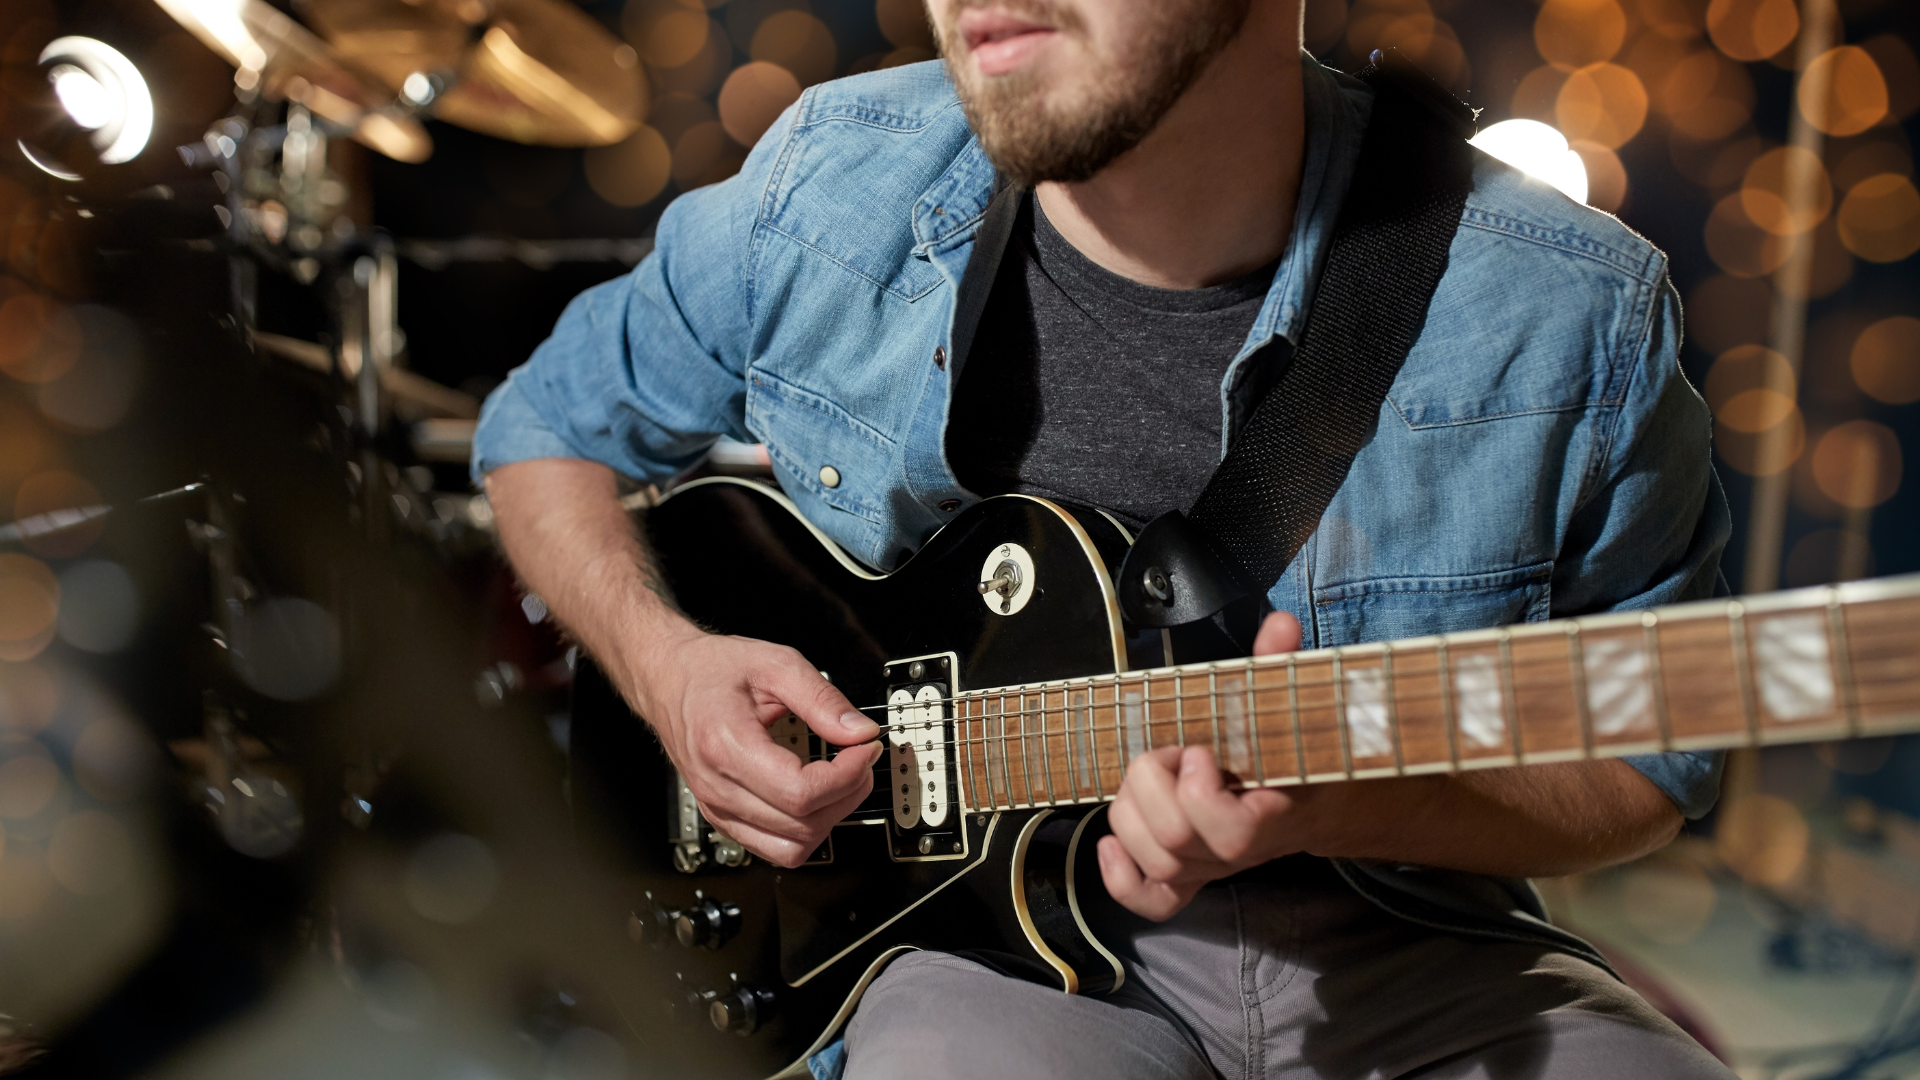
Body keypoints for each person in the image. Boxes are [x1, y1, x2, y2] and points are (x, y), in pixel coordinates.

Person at [472, 0, 1736, 1076]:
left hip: (1408, 936)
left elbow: (1649, 763)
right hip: (958, 962)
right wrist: (664, 667)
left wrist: (1336, 803)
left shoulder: (1571, 306)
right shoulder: (828, 181)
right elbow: (541, 432)